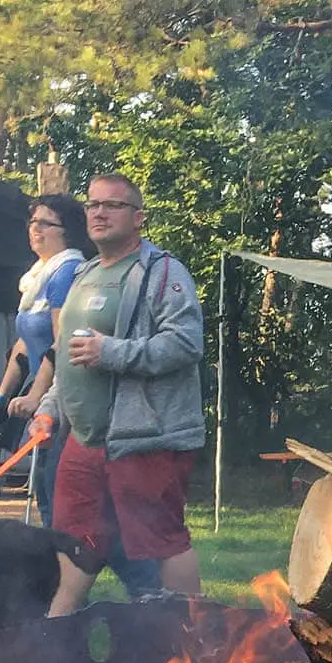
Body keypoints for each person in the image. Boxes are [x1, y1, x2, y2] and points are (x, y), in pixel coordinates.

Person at [40, 172, 205, 612]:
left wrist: (112, 352)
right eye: (93, 205)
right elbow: (66, 353)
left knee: (163, 538)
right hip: (83, 439)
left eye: (112, 205)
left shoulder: (162, 271)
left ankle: (195, 638)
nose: (99, 213)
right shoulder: (84, 274)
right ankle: (57, 637)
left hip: (144, 437)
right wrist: (49, 407)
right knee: (76, 539)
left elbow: (187, 343)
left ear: (138, 219)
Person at [0, 193, 88, 509]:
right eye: (33, 222)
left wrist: (36, 396)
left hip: (66, 397)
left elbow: (61, 341)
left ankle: (70, 554)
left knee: (53, 488)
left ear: (66, 230)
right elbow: (24, 342)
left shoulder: (66, 272)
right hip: (45, 396)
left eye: (45, 223)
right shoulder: (37, 276)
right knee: (45, 486)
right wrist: (1, 395)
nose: (34, 229)